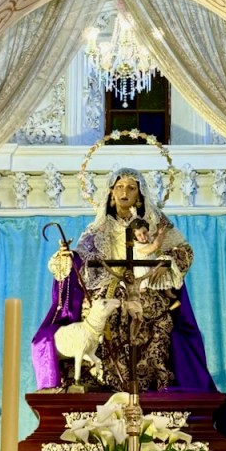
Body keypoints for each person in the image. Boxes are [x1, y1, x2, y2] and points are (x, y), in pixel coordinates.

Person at [32, 167, 215, 394]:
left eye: (131, 187)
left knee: (155, 315)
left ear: (140, 194)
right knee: (104, 313)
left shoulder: (154, 222)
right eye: (119, 187)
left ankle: (154, 377)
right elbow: (81, 259)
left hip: (144, 284)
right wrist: (66, 258)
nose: (124, 192)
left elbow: (184, 250)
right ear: (111, 193)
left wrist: (165, 261)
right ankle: (102, 378)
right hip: (109, 285)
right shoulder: (98, 228)